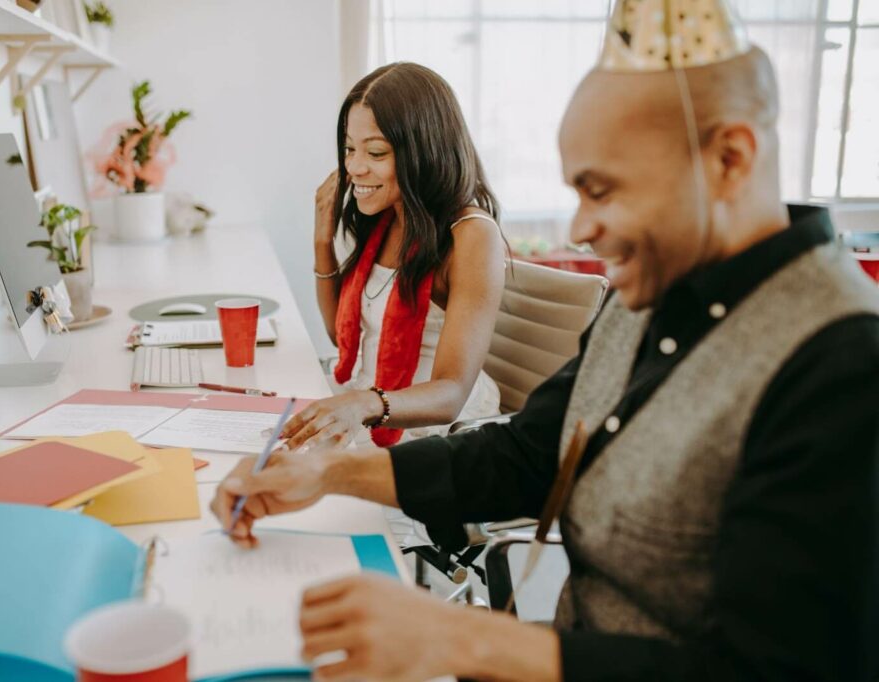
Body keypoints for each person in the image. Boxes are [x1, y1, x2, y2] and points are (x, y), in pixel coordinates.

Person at [210, 1, 879, 680]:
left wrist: (460, 638)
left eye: (602, 190)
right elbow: (528, 455)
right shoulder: (652, 293)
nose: (581, 229)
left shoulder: (843, 361)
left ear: (730, 159)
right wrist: (327, 473)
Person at [280, 62, 505, 452]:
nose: (354, 167)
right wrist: (322, 239)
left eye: (376, 151)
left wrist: (362, 404)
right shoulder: (387, 218)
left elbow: (451, 393)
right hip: (369, 404)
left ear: (425, 149)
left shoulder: (472, 234)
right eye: (350, 148)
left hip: (432, 430)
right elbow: (342, 333)